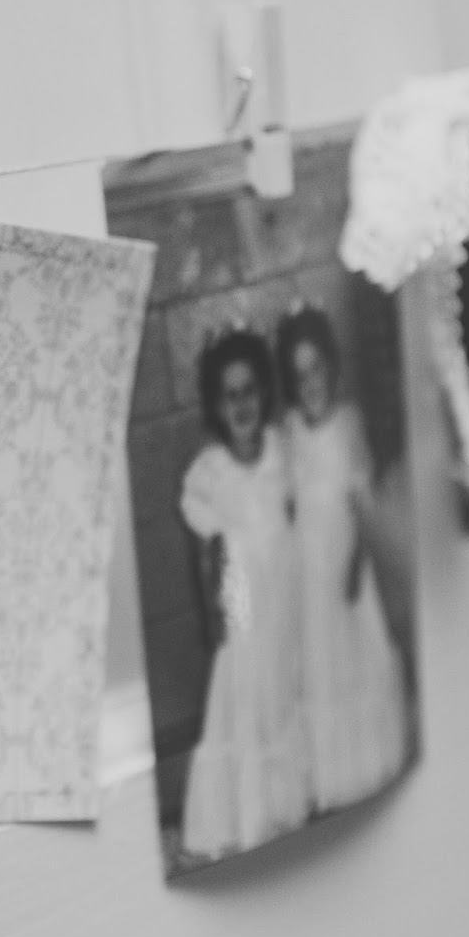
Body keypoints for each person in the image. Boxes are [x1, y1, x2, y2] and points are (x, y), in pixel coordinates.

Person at [177, 328, 309, 859]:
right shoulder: (210, 474)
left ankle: (294, 797)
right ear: (217, 406)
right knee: (249, 696)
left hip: (286, 595)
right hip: (243, 604)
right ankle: (252, 811)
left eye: (249, 390)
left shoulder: (282, 451)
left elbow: (301, 518)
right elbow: (203, 553)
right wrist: (212, 616)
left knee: (287, 688)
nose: (242, 405)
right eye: (230, 395)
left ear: (265, 393)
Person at [275, 306, 408, 811]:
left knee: (356, 658)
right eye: (298, 374)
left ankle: (370, 761)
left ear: (331, 367)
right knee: (319, 667)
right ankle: (332, 777)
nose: (310, 383)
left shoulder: (348, 424)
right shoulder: (290, 431)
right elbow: (288, 504)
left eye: (316, 369)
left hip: (345, 562)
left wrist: (356, 561)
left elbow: (362, 500)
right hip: (309, 570)